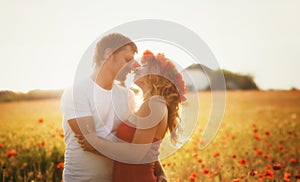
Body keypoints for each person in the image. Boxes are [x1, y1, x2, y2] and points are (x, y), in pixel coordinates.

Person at [60, 33, 166, 182]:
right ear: (108, 54)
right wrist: (134, 153)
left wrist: (160, 171)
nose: (133, 66)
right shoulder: (76, 92)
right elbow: (89, 142)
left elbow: (137, 143)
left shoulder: (126, 95)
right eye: (127, 59)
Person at [77, 50, 187, 182]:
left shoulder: (154, 104)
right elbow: (148, 150)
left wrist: (96, 143)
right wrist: (160, 171)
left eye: (143, 66)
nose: (136, 67)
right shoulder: (150, 103)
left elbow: (136, 154)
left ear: (155, 76)